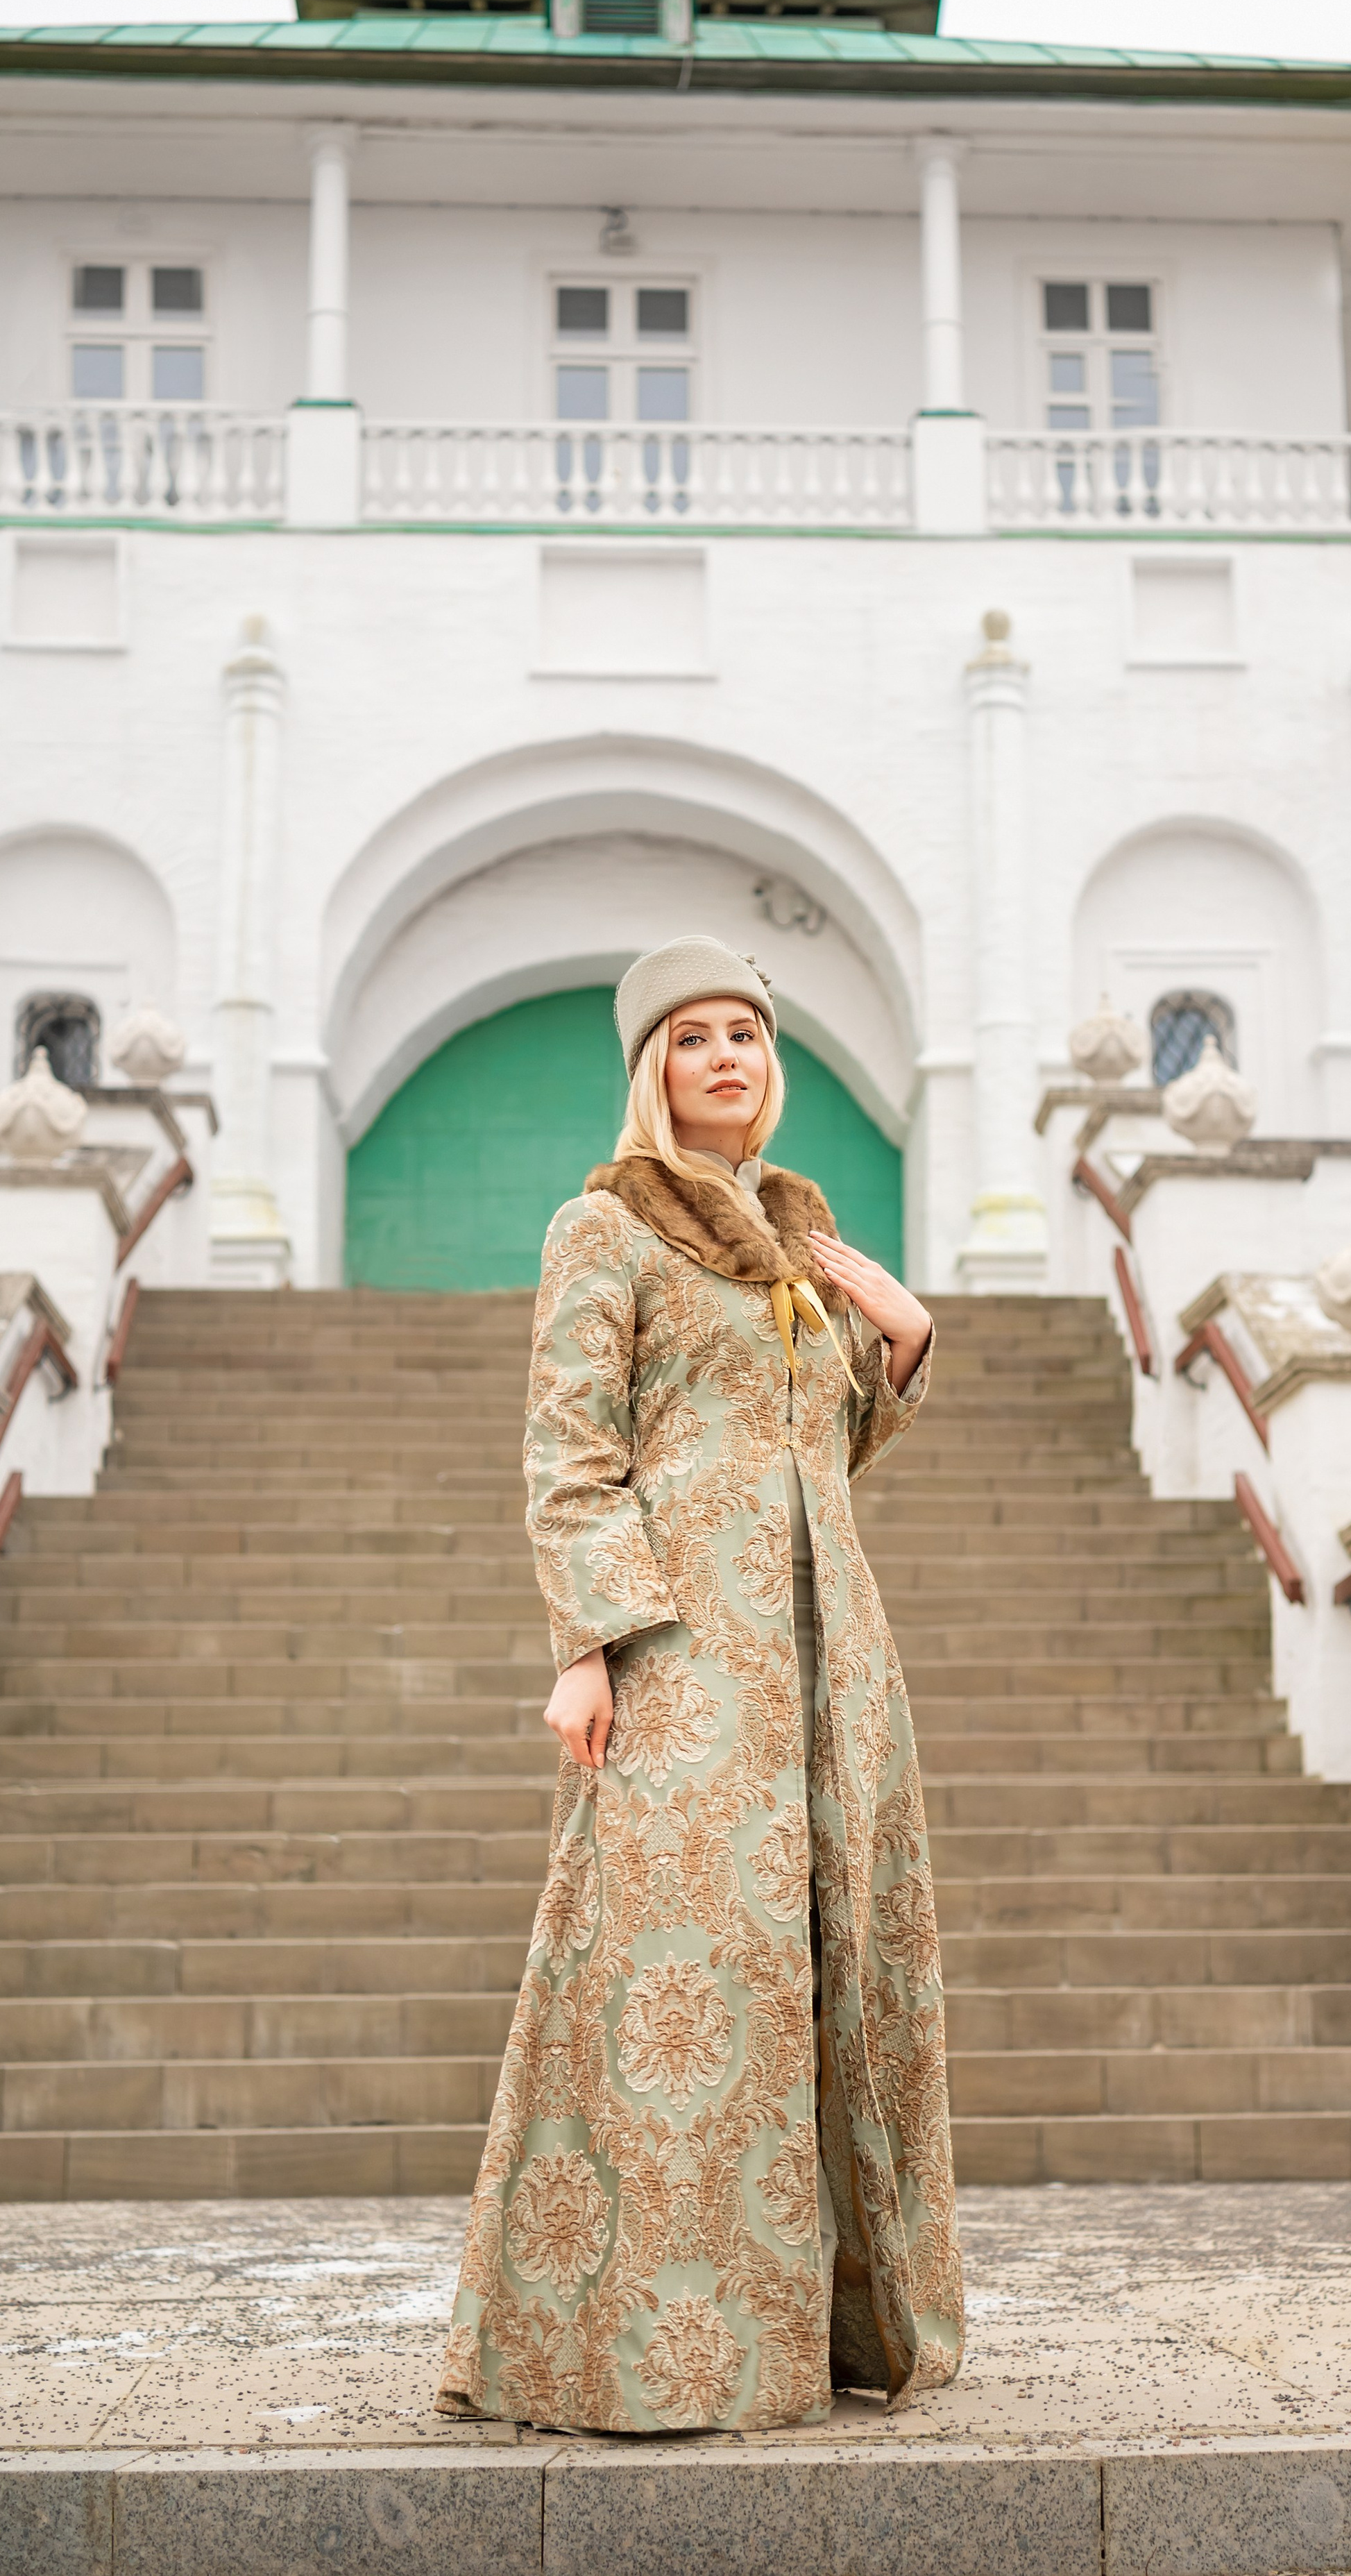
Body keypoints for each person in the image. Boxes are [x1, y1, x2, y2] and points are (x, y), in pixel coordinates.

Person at [436, 935, 964, 2434]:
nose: (725, 1055)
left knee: (833, 1962)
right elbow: (571, 1450)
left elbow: (812, 1454)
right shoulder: (604, 1228)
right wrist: (587, 1646)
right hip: (684, 1652)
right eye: (690, 1036)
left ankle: (830, 2333)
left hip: (831, 1654)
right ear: (649, 1070)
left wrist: (902, 1349)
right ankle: (647, 2343)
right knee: (682, 1972)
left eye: (745, 1031)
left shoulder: (802, 1240)